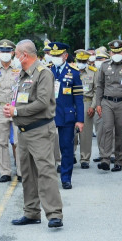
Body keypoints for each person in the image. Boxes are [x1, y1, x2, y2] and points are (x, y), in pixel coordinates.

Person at [3, 39, 63, 228]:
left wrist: (17, 112)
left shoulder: (43, 73)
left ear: (24, 55)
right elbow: (20, 99)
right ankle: (31, 212)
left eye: (16, 54)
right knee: (27, 174)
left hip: (39, 130)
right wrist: (11, 108)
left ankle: (54, 214)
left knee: (46, 172)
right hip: (23, 131)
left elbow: (43, 102)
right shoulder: (21, 74)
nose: (14, 58)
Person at [96, 40, 122, 172]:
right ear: (110, 52)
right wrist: (98, 103)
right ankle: (105, 159)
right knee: (107, 129)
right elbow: (99, 86)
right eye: (114, 52)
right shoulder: (103, 66)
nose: (116, 54)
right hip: (107, 102)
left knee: (120, 131)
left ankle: (119, 160)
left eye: (119, 51)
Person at [49, 42, 84, 189]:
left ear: (65, 56)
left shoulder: (74, 73)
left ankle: (66, 178)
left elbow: (79, 99)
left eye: (58, 55)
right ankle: (49, 179)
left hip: (67, 116)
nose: (55, 58)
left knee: (67, 148)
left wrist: (80, 120)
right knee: (48, 148)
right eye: (53, 55)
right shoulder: (47, 72)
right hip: (49, 115)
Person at [0, 39, 22, 183]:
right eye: (2, 52)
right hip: (0, 108)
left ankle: (21, 171)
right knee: (1, 142)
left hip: (16, 107)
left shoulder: (20, 69)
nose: (5, 54)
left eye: (7, 51)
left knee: (19, 141)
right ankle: (5, 172)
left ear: (13, 53)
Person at [73, 49, 97, 169]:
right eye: (79, 60)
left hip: (86, 102)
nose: (81, 63)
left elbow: (97, 91)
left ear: (87, 61)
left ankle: (85, 158)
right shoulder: (71, 71)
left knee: (85, 133)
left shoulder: (93, 72)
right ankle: (71, 154)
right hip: (72, 103)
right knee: (71, 131)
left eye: (83, 61)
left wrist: (93, 106)